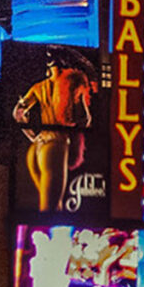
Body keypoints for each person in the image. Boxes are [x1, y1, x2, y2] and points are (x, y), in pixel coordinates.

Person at [12, 46, 94, 211]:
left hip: (37, 148)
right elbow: (85, 119)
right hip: (56, 145)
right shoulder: (73, 83)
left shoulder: (38, 87)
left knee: (53, 207)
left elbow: (17, 113)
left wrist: (31, 136)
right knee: (51, 208)